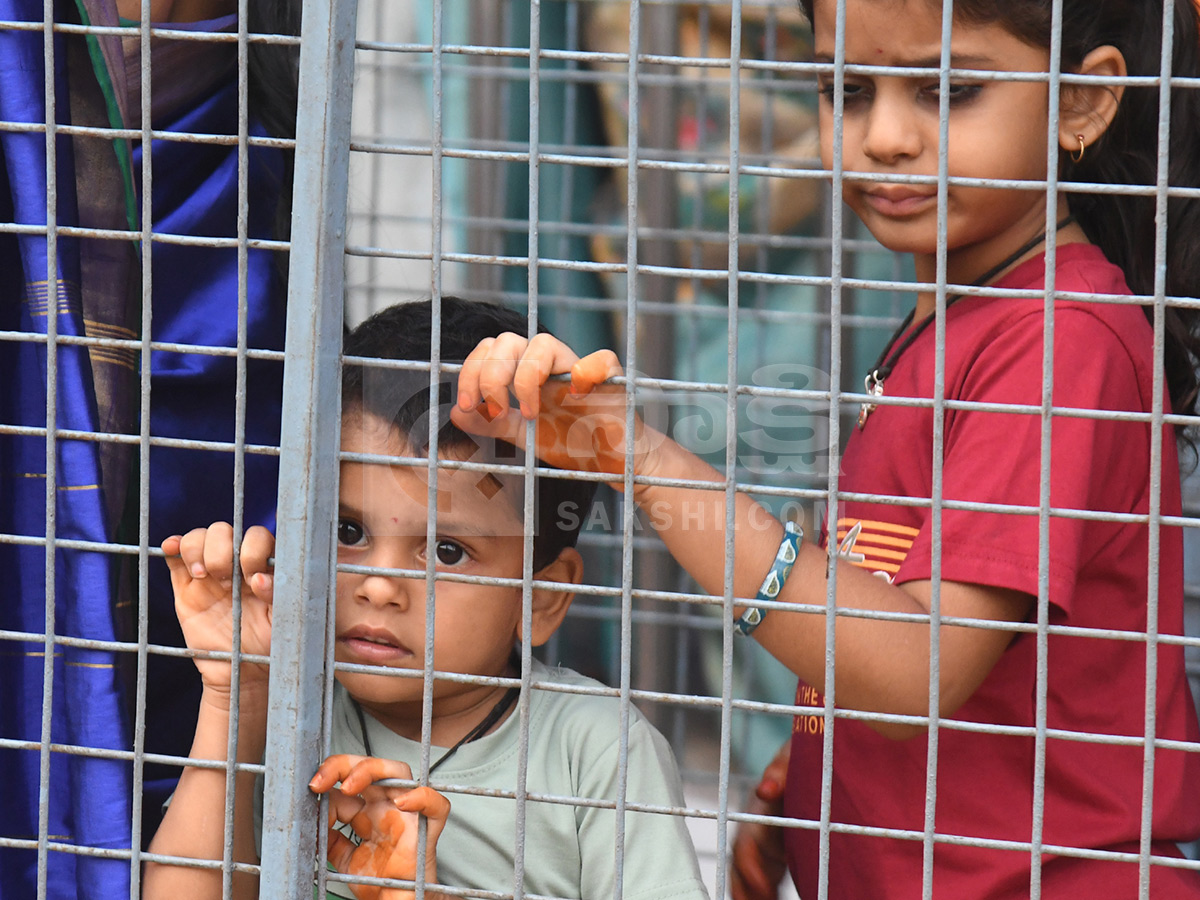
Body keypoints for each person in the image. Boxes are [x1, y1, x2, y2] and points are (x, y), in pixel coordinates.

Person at [445, 0, 1200, 897]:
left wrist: (638, 454)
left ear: (1082, 103)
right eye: (846, 88)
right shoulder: (970, 314)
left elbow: (916, 669)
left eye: (947, 90)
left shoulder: (1055, 341)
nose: (883, 136)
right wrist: (813, 799)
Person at [142, 297, 711, 900]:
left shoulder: (594, 750)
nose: (380, 586)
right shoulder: (290, 707)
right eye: (348, 532)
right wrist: (236, 694)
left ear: (540, 599)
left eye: (445, 551)